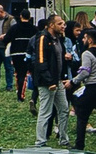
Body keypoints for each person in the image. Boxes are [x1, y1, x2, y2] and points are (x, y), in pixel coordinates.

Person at [29, 14, 70, 146]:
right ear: (51, 25)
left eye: (63, 24)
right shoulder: (42, 38)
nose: (63, 26)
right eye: (59, 24)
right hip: (46, 82)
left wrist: (62, 77)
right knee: (45, 111)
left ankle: (64, 139)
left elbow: (58, 59)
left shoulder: (58, 39)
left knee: (64, 110)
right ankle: (40, 141)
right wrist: (49, 81)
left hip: (57, 80)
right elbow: (40, 61)